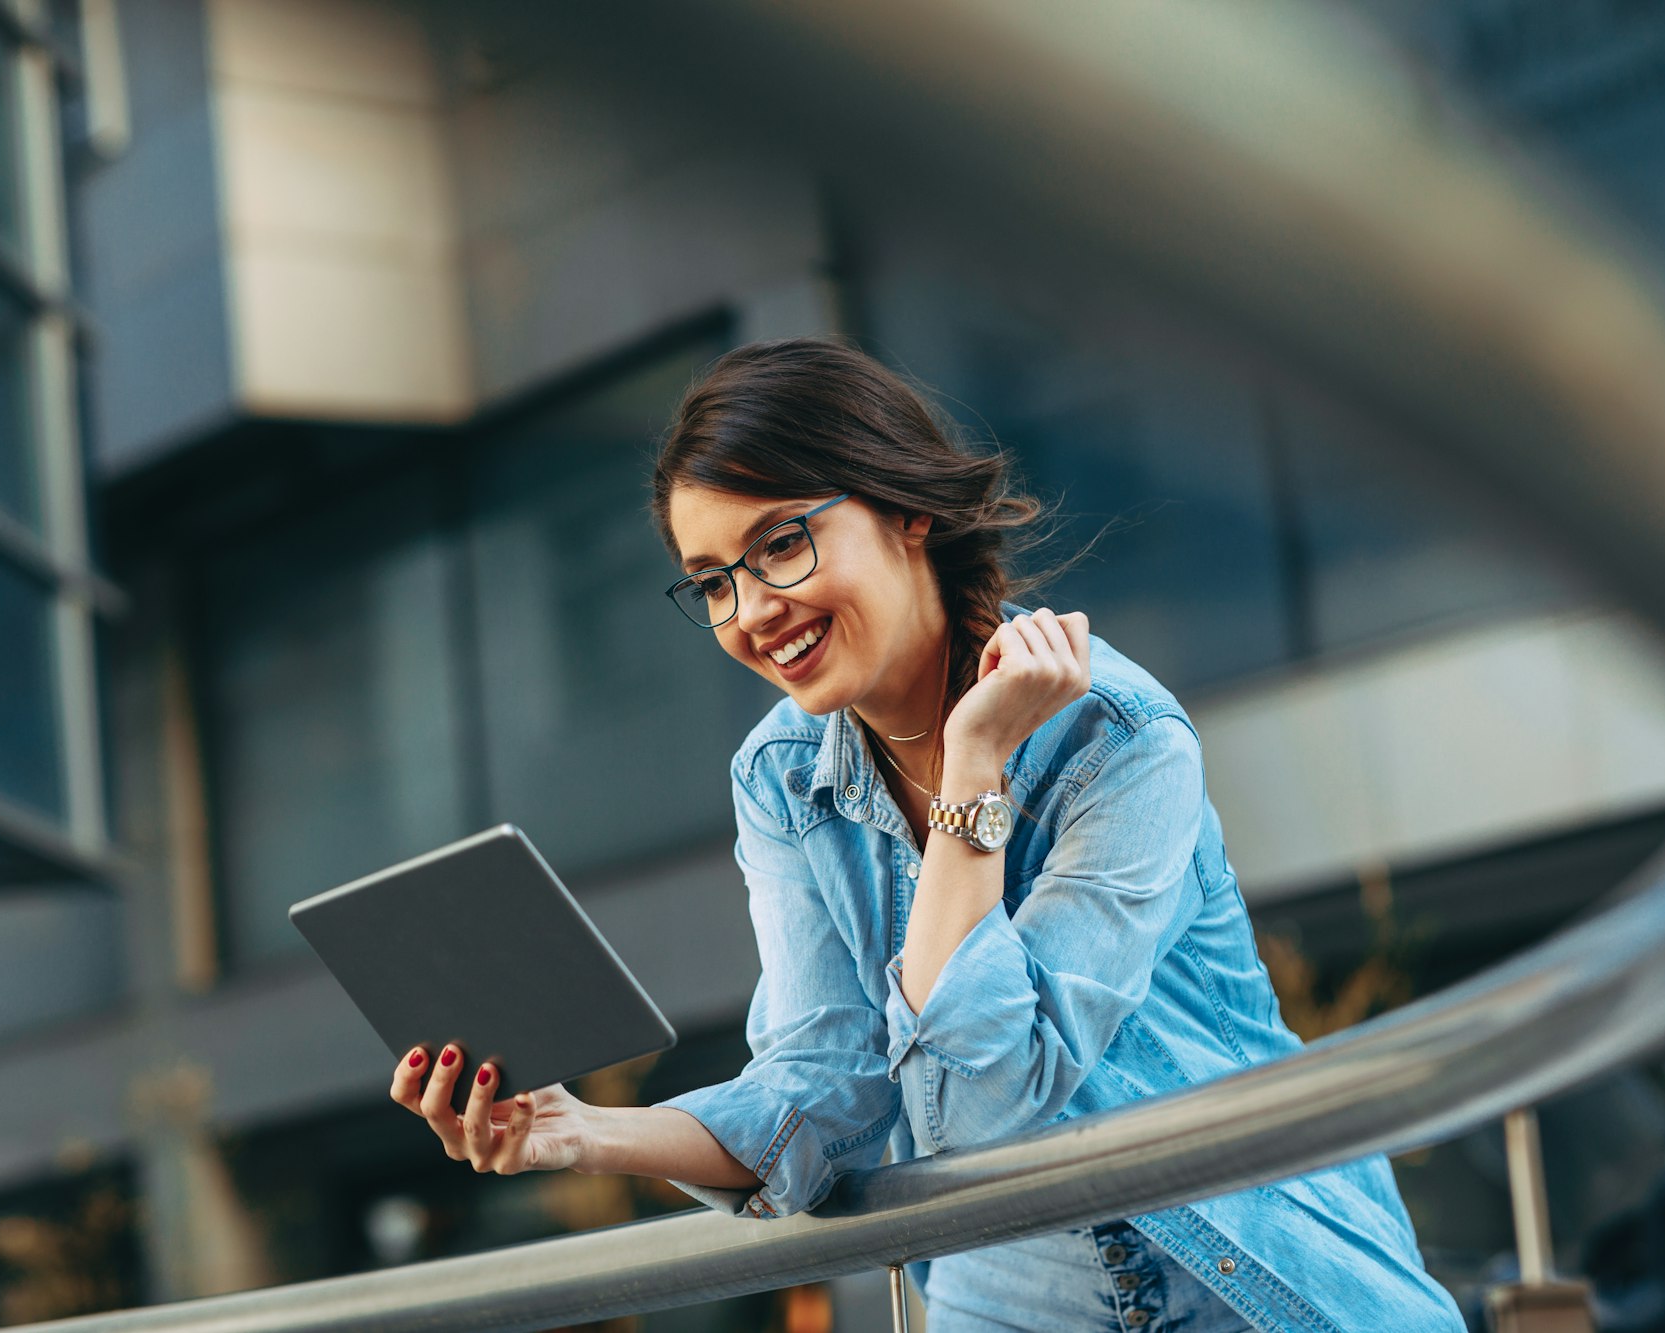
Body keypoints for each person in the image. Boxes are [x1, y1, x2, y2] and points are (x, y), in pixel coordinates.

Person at [389, 336, 1465, 1331]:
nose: (752, 609)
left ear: (907, 512)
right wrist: (575, 1132)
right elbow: (822, 1087)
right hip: (1013, 1296)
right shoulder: (781, 777)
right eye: (714, 581)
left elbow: (985, 1094)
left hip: (1250, 1274)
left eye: (781, 545)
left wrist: (974, 764)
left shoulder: (1119, 736)